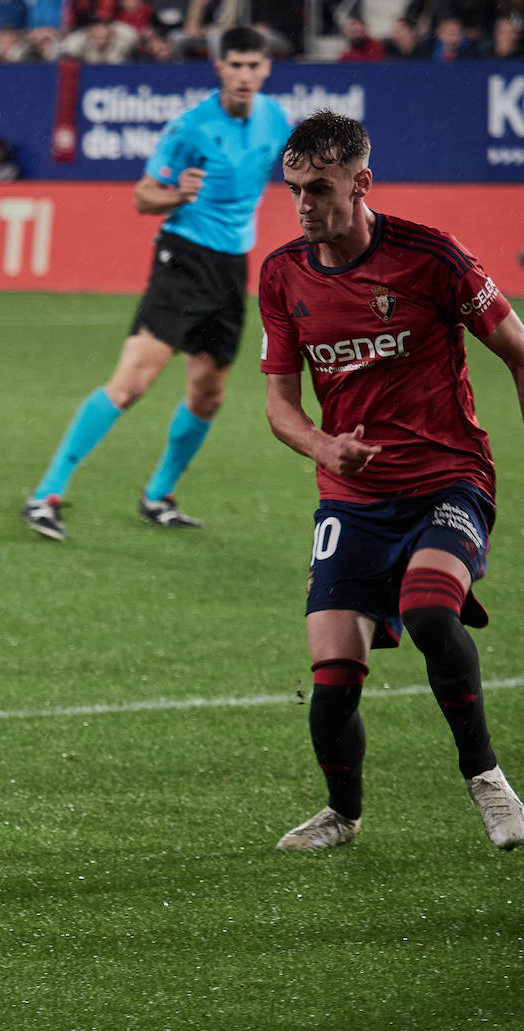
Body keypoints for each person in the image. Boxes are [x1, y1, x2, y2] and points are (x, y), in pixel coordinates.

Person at [258, 110, 524, 852]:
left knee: (433, 613)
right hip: (352, 498)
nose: (305, 204)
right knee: (333, 685)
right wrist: (322, 446)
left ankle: (489, 780)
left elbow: (519, 349)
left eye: (320, 188)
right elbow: (280, 405)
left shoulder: (432, 258)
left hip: (449, 478)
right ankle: (343, 813)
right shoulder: (282, 275)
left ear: (361, 182)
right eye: (294, 190)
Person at [21, 24, 290, 541]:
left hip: (231, 268)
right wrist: (179, 194)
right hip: (183, 260)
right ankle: (45, 495)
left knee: (209, 394)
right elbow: (144, 196)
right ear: (220, 68)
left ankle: (157, 496)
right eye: (234, 64)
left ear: (266, 69)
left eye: (253, 65)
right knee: (132, 384)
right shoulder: (190, 127)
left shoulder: (275, 119)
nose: (244, 75)